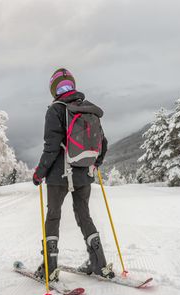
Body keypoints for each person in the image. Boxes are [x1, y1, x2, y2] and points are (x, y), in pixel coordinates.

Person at [33, 68, 114, 282]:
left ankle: (50, 268)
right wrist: (95, 165)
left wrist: (39, 173)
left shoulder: (56, 110)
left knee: (53, 216)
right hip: (84, 173)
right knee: (84, 215)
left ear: (53, 90)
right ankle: (98, 262)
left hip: (59, 175)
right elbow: (102, 144)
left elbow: (51, 147)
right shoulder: (89, 110)